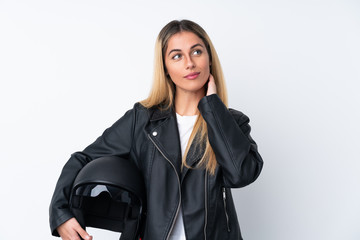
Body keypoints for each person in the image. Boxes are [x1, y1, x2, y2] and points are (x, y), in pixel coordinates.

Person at [49, 19, 264, 240]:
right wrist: (61, 214)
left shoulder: (231, 122)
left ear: (209, 59)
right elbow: (83, 159)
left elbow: (241, 175)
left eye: (197, 52)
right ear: (166, 68)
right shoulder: (142, 119)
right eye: (177, 56)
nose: (189, 63)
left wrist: (212, 108)